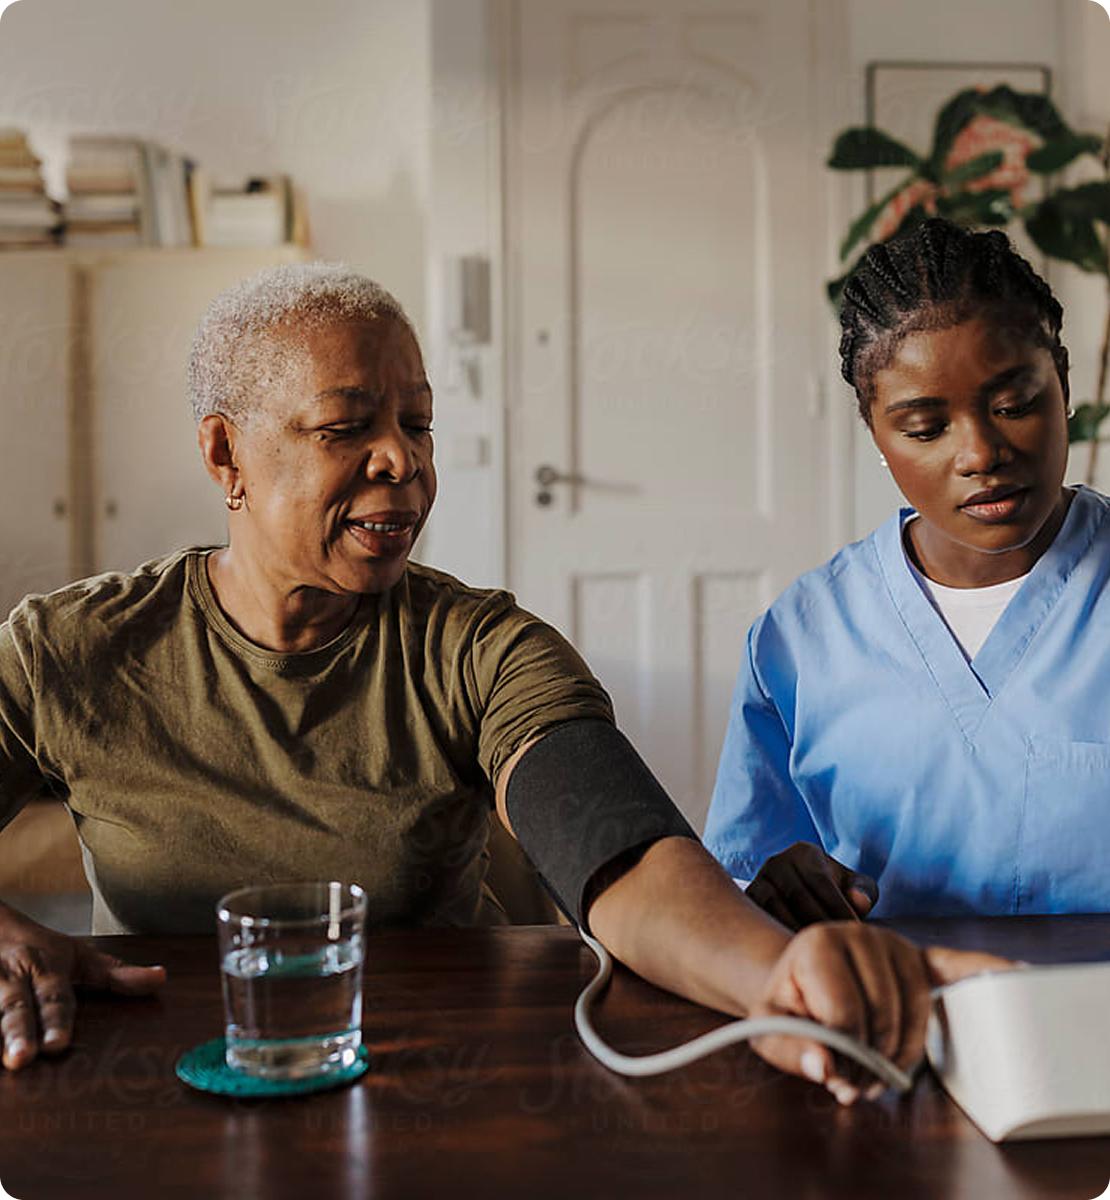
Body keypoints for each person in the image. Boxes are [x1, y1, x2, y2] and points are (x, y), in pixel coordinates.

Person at [0, 263, 1003, 1104]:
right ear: (227, 454)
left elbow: (622, 854)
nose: (402, 460)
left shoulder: (477, 646)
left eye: (419, 424)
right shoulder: (74, 651)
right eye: (345, 428)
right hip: (159, 1088)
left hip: (429, 1087)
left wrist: (774, 978)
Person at [705, 217, 1108, 928]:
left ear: (1064, 385)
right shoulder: (801, 641)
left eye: (1014, 405)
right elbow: (739, 891)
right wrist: (773, 888)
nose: (980, 452)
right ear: (876, 433)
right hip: (883, 1021)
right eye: (925, 428)